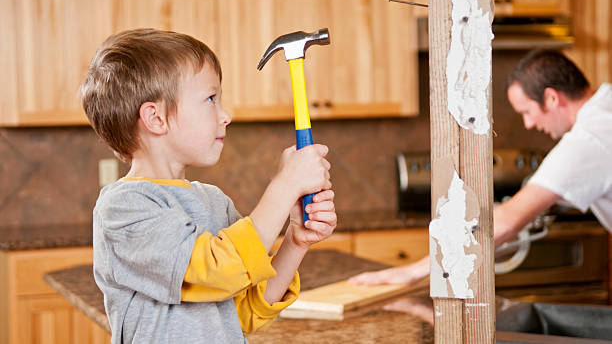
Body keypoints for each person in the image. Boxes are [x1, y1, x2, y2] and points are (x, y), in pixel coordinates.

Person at [81, 28, 336, 343]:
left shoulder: (215, 202)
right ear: (156, 118)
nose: (225, 115)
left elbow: (246, 309)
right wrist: (284, 187)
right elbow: (217, 270)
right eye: (210, 99)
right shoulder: (124, 208)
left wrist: (296, 241)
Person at [350, 49, 612, 289]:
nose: (529, 124)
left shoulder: (587, 140)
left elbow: (508, 222)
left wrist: (412, 272)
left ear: (552, 98)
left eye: (527, 111)